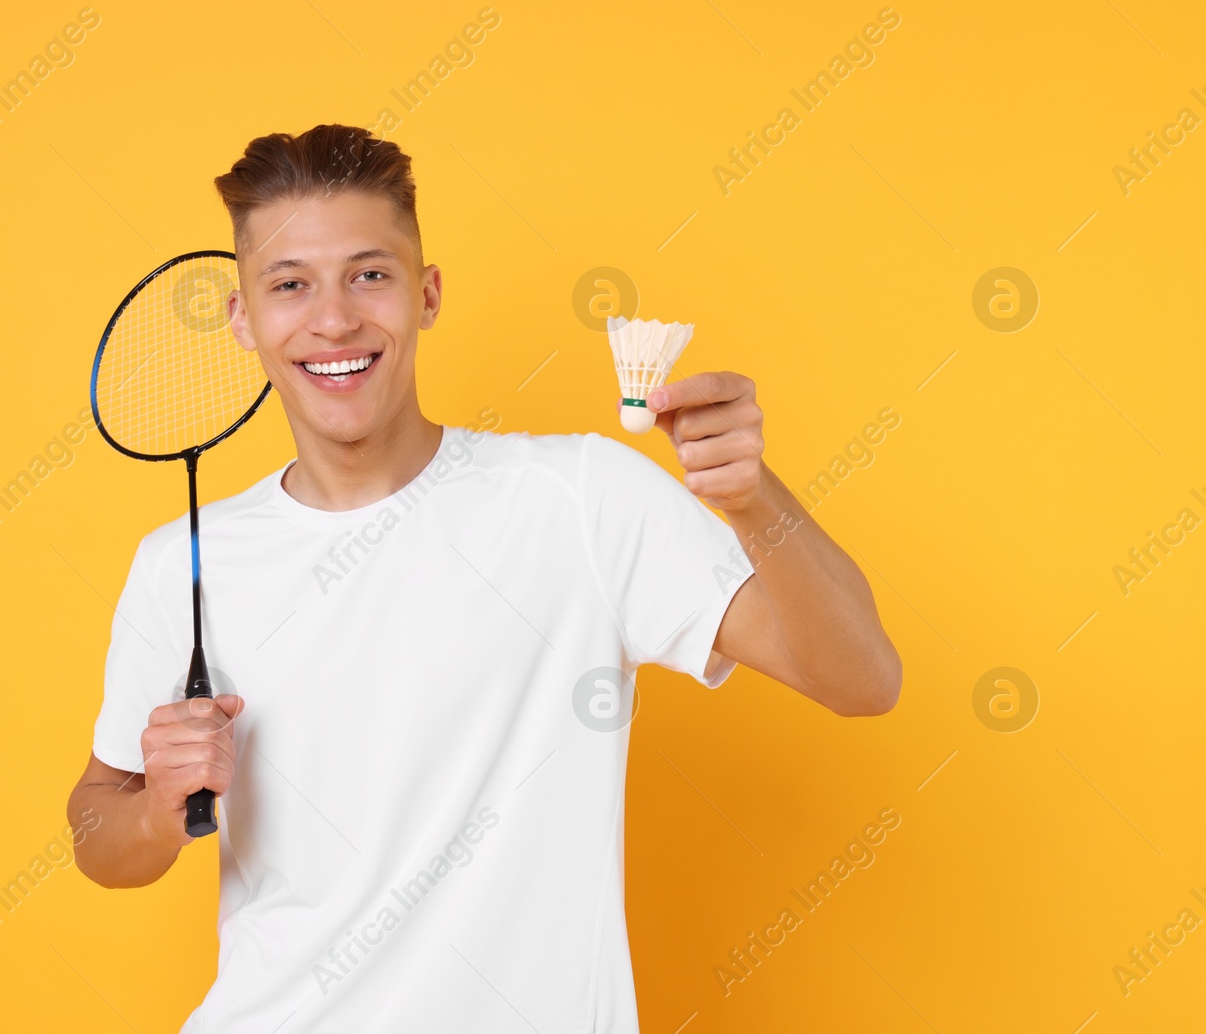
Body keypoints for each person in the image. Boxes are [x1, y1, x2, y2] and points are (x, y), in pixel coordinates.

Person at [65, 123, 900, 1032]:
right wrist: (156, 805)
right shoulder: (182, 561)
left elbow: (863, 680)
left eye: (369, 274)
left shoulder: (579, 496)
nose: (335, 319)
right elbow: (97, 837)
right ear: (242, 318)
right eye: (290, 284)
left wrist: (753, 501)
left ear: (426, 295)